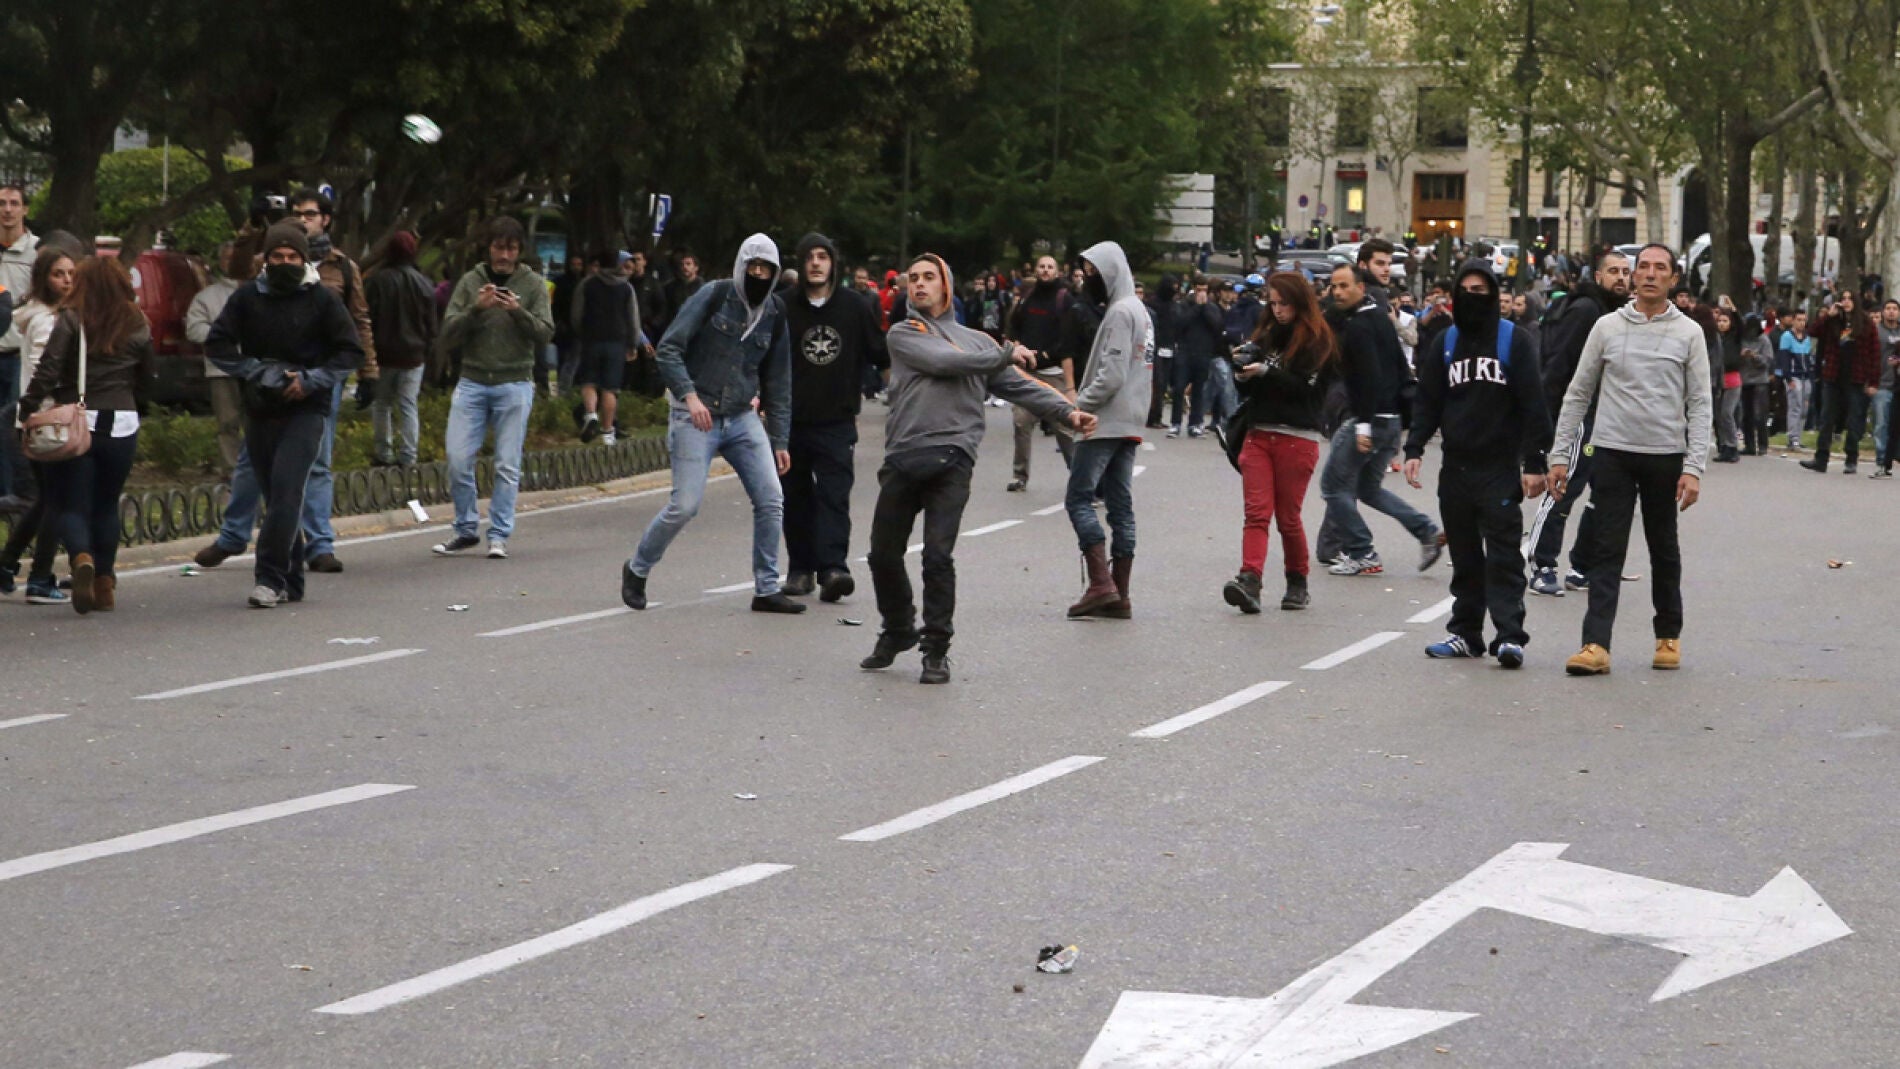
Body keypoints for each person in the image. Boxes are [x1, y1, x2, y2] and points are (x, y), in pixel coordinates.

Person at [858, 254, 1093, 683]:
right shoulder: (904, 334)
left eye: (929, 277)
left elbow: (1019, 386)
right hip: (904, 457)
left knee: (937, 556)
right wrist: (1004, 353)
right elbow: (945, 363)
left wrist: (1067, 413)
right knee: (882, 554)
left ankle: (935, 648)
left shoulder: (979, 343)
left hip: (953, 456)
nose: (920, 285)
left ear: (946, 286)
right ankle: (897, 629)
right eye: (914, 279)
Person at [1549, 244, 1710, 676]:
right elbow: (1578, 394)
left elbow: (1700, 404)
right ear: (1634, 276)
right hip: (1613, 452)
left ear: (1674, 279)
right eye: (1644, 267)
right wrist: (1560, 455)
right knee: (1607, 549)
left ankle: (1667, 636)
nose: (1651, 275)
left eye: (1661, 268)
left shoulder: (1689, 333)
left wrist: (1694, 468)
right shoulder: (1606, 327)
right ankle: (1595, 645)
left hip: (1664, 454)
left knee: (1664, 548)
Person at [621, 234, 803, 615]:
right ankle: (638, 567)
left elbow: (779, 380)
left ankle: (767, 587)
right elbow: (670, 347)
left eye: (765, 270)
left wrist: (780, 439)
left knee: (771, 498)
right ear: (741, 267)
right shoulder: (714, 295)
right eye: (752, 267)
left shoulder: (775, 313)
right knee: (685, 505)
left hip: (740, 416)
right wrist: (689, 396)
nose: (757, 275)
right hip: (694, 414)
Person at [205, 223, 363, 607]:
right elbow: (218, 344)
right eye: (278, 257)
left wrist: (310, 380)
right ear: (266, 259)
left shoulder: (322, 300)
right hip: (261, 408)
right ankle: (293, 580)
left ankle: (269, 578)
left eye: (293, 257)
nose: (285, 263)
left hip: (308, 409)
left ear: (305, 259)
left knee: (288, 487)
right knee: (276, 494)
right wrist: (258, 373)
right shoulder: (247, 297)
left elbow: (349, 352)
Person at [1402, 260, 1551, 668]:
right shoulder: (1445, 344)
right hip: (1457, 468)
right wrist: (1414, 447)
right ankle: (1465, 633)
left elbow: (1533, 403)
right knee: (1465, 557)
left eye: (1480, 290)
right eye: (1464, 289)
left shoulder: (1513, 341)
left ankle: (1509, 637)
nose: (1472, 297)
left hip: (1499, 467)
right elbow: (1428, 400)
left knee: (1503, 555)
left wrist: (1535, 460)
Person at [19, 257, 155, 615]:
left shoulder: (72, 319)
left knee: (67, 501)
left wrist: (28, 407)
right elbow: (149, 375)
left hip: (78, 419)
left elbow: (48, 368)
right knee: (107, 504)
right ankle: (105, 583)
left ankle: (81, 556)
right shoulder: (138, 321)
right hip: (122, 420)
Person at [429, 217, 553, 559]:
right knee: (457, 458)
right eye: (499, 247)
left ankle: (498, 533)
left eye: (511, 248)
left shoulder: (532, 285)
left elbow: (545, 333)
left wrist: (517, 311)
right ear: (489, 248)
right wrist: (476, 309)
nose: (504, 254)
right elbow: (449, 330)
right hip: (472, 381)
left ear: (519, 251)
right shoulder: (472, 281)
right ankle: (466, 527)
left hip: (514, 383)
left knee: (506, 464)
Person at [1221, 271, 1338, 614]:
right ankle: (1250, 579)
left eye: (1283, 303)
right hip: (1259, 433)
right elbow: (1252, 387)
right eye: (1272, 303)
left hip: (1296, 436)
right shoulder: (1266, 335)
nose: (1277, 311)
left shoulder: (1318, 340)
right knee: (1256, 513)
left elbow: (1307, 391)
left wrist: (1266, 373)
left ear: (1300, 302)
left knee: (1288, 518)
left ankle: (1297, 581)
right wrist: (1243, 373)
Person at [780, 232, 887, 601]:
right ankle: (800, 569)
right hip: (791, 420)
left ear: (832, 263)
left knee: (833, 496)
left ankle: (833, 568)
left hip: (837, 420)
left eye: (822, 256)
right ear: (800, 262)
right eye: (809, 256)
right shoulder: (783, 307)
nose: (815, 262)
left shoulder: (855, 307)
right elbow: (764, 358)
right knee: (794, 497)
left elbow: (881, 352)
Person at [1319, 263, 1442, 576]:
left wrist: (1362, 425)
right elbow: (1401, 369)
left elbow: (1366, 378)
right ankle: (1426, 531)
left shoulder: (1359, 327)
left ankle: (1362, 551)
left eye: (1344, 286)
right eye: (1334, 286)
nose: (1337, 292)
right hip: (1388, 419)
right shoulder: (1378, 317)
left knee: (1333, 487)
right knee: (1368, 488)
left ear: (1361, 288)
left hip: (1370, 419)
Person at [1525, 249, 1631, 596]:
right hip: (1581, 413)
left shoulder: (1620, 314)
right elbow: (1559, 362)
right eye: (1613, 271)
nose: (1621, 277)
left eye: (1625, 272)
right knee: (1565, 486)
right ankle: (1542, 563)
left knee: (1607, 493)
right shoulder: (1586, 310)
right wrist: (1550, 419)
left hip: (1611, 416)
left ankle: (1583, 565)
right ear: (1598, 276)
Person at [1062, 242, 1150, 619]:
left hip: (1104, 420)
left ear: (1111, 270)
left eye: (1093, 271)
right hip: (1130, 420)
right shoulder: (1141, 311)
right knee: (1121, 508)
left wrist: (1077, 405)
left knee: (1078, 498)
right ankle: (1120, 592)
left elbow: (1111, 374)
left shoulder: (1119, 313)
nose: (1088, 279)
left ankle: (1101, 584)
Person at [288, 188, 375, 572]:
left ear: (325, 219)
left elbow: (360, 320)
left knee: (318, 460)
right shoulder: (275, 258)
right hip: (279, 370)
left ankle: (320, 543)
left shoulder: (344, 267)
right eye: (295, 214)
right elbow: (240, 270)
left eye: (308, 214)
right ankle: (247, 535)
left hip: (326, 372)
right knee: (267, 460)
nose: (301, 220)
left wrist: (368, 371)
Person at [2, 246, 76, 602]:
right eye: (58, 274)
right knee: (58, 500)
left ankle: (7, 564)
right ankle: (40, 578)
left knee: (46, 498)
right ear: (43, 279)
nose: (66, 281)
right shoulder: (47, 320)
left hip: (35, 418)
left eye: (71, 274)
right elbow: (43, 370)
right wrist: (42, 408)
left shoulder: (44, 315)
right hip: (47, 420)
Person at [1003, 255, 1077, 490]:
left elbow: (1068, 339)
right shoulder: (1027, 297)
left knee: (1064, 428)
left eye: (1050, 267)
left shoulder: (1064, 299)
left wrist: (1045, 356)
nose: (1045, 271)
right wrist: (1016, 346)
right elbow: (1013, 326)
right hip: (1027, 373)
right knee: (1021, 422)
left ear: (1057, 272)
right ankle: (1020, 476)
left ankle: (1079, 479)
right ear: (1036, 270)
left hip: (1054, 373)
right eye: (1042, 267)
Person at [363, 230, 437, 468]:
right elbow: (431, 325)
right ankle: (409, 455)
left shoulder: (377, 281)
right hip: (414, 356)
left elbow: (368, 318)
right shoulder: (424, 283)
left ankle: (383, 453)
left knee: (382, 404)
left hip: (384, 354)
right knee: (408, 404)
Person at [185, 236, 254, 477]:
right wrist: (222, 337)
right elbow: (193, 330)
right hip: (221, 370)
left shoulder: (260, 292)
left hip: (257, 368)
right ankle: (232, 470)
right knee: (227, 423)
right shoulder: (207, 297)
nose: (232, 262)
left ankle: (257, 468)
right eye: (227, 258)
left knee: (258, 422)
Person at [1801, 290, 1879, 474]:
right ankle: (1821, 459)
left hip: (1856, 377)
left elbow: (1874, 354)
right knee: (1827, 418)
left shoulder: (1866, 323)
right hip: (1833, 375)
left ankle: (1851, 458)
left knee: (1853, 419)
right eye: (1842, 299)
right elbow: (1812, 331)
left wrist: (1873, 381)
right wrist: (1828, 315)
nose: (1846, 302)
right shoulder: (1833, 321)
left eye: (1849, 299)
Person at [572, 251, 642, 446]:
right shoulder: (626, 288)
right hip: (617, 341)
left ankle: (591, 414)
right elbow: (633, 317)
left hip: (591, 339)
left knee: (589, 382)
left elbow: (577, 313)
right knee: (611, 388)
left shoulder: (587, 284)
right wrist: (633, 343)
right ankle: (608, 432)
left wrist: (582, 332)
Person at [0, 183, 41, 514]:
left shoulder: (37, 252)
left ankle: (17, 497)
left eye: (14, 203)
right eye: (2, 203)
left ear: (25, 209)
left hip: (18, 355)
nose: (7, 209)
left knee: (14, 428)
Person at [1170, 277, 1224, 438]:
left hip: (1203, 353)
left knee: (1199, 390)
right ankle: (1175, 423)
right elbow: (1180, 324)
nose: (1202, 293)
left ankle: (1195, 423)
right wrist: (1197, 308)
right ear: (1194, 289)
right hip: (1185, 351)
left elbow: (1217, 326)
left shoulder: (1212, 307)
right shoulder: (1184, 305)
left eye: (1205, 290)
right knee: (1179, 387)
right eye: (1199, 289)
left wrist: (1205, 307)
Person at [1775, 309, 1815, 454]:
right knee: (1795, 406)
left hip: (1806, 376)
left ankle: (1799, 435)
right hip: (1794, 376)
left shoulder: (1807, 337)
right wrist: (1788, 377)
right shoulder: (1787, 336)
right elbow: (1784, 358)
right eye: (1798, 319)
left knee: (1804, 409)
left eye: (1804, 320)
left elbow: (1809, 357)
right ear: (1793, 320)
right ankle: (1793, 437)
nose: (1801, 323)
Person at [549, 253, 587, 395]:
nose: (576, 268)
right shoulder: (560, 282)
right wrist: (557, 322)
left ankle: (565, 390)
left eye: (579, 264)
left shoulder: (584, 282)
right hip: (563, 326)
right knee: (563, 360)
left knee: (572, 361)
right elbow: (555, 305)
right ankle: (562, 390)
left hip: (577, 329)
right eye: (574, 264)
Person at [1145, 276, 1179, 429]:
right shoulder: (1153, 304)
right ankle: (1151, 415)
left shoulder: (1173, 305)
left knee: (1163, 384)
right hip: (1156, 347)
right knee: (1156, 384)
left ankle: (1157, 415)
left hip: (1169, 347)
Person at [1710, 306, 1743, 463]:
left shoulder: (1734, 337)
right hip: (1718, 380)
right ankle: (1724, 446)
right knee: (1718, 416)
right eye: (1720, 321)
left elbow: (1741, 325)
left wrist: (1734, 311)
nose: (1722, 324)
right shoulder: (1716, 339)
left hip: (1733, 380)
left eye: (1725, 321)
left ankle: (1733, 446)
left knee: (1727, 413)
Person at [1739, 313, 1774, 457]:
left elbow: (1767, 361)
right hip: (1745, 380)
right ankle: (1749, 445)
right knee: (1746, 415)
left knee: (1760, 415)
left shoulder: (1764, 340)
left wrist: (1754, 356)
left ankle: (1763, 445)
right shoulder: (1741, 339)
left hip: (1760, 381)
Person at [1871, 299, 1900, 476]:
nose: (1891, 312)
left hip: (1898, 386)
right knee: (1881, 424)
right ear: (1882, 312)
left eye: (1894, 309)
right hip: (1881, 383)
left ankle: (1892, 457)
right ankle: (1882, 460)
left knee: (1895, 426)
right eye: (1888, 308)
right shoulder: (1875, 331)